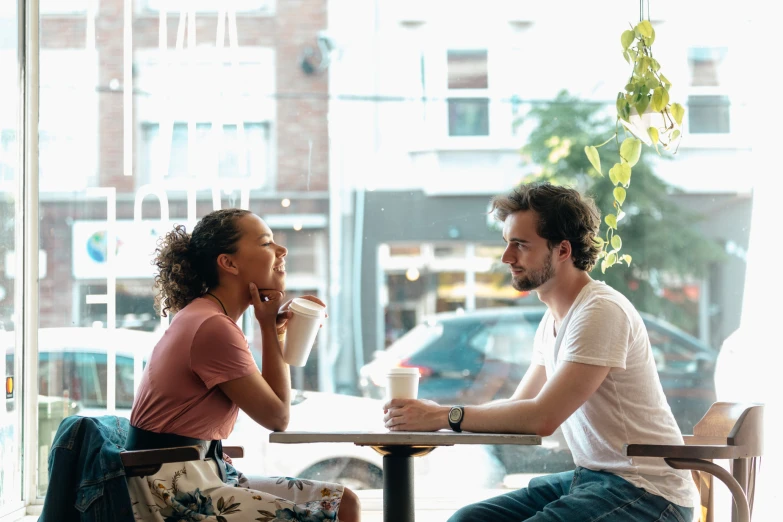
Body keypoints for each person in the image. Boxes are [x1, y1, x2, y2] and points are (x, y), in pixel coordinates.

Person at [382, 182, 697, 522]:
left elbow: (542, 418)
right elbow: (521, 409)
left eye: (520, 245)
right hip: (594, 479)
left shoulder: (600, 312)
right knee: (467, 520)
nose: (506, 258)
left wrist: (443, 416)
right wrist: (434, 416)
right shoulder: (554, 319)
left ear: (562, 250)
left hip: (648, 493)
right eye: (507, 244)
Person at [127, 208, 361, 522]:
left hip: (201, 471)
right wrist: (269, 328)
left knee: (343, 501)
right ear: (229, 263)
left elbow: (275, 410)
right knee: (333, 511)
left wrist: (273, 328)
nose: (282, 251)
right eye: (266, 244)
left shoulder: (208, 316)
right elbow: (278, 417)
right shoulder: (212, 327)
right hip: (171, 489)